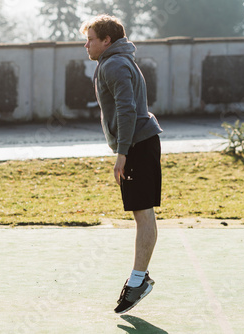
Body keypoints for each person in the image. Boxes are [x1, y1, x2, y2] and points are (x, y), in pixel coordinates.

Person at [80, 14, 163, 314]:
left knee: (142, 214)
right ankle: (138, 279)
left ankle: (139, 280)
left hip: (137, 146)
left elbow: (126, 110)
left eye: (90, 39)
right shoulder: (118, 60)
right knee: (144, 214)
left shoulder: (113, 63)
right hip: (140, 143)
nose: (85, 45)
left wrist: (122, 153)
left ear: (107, 41)